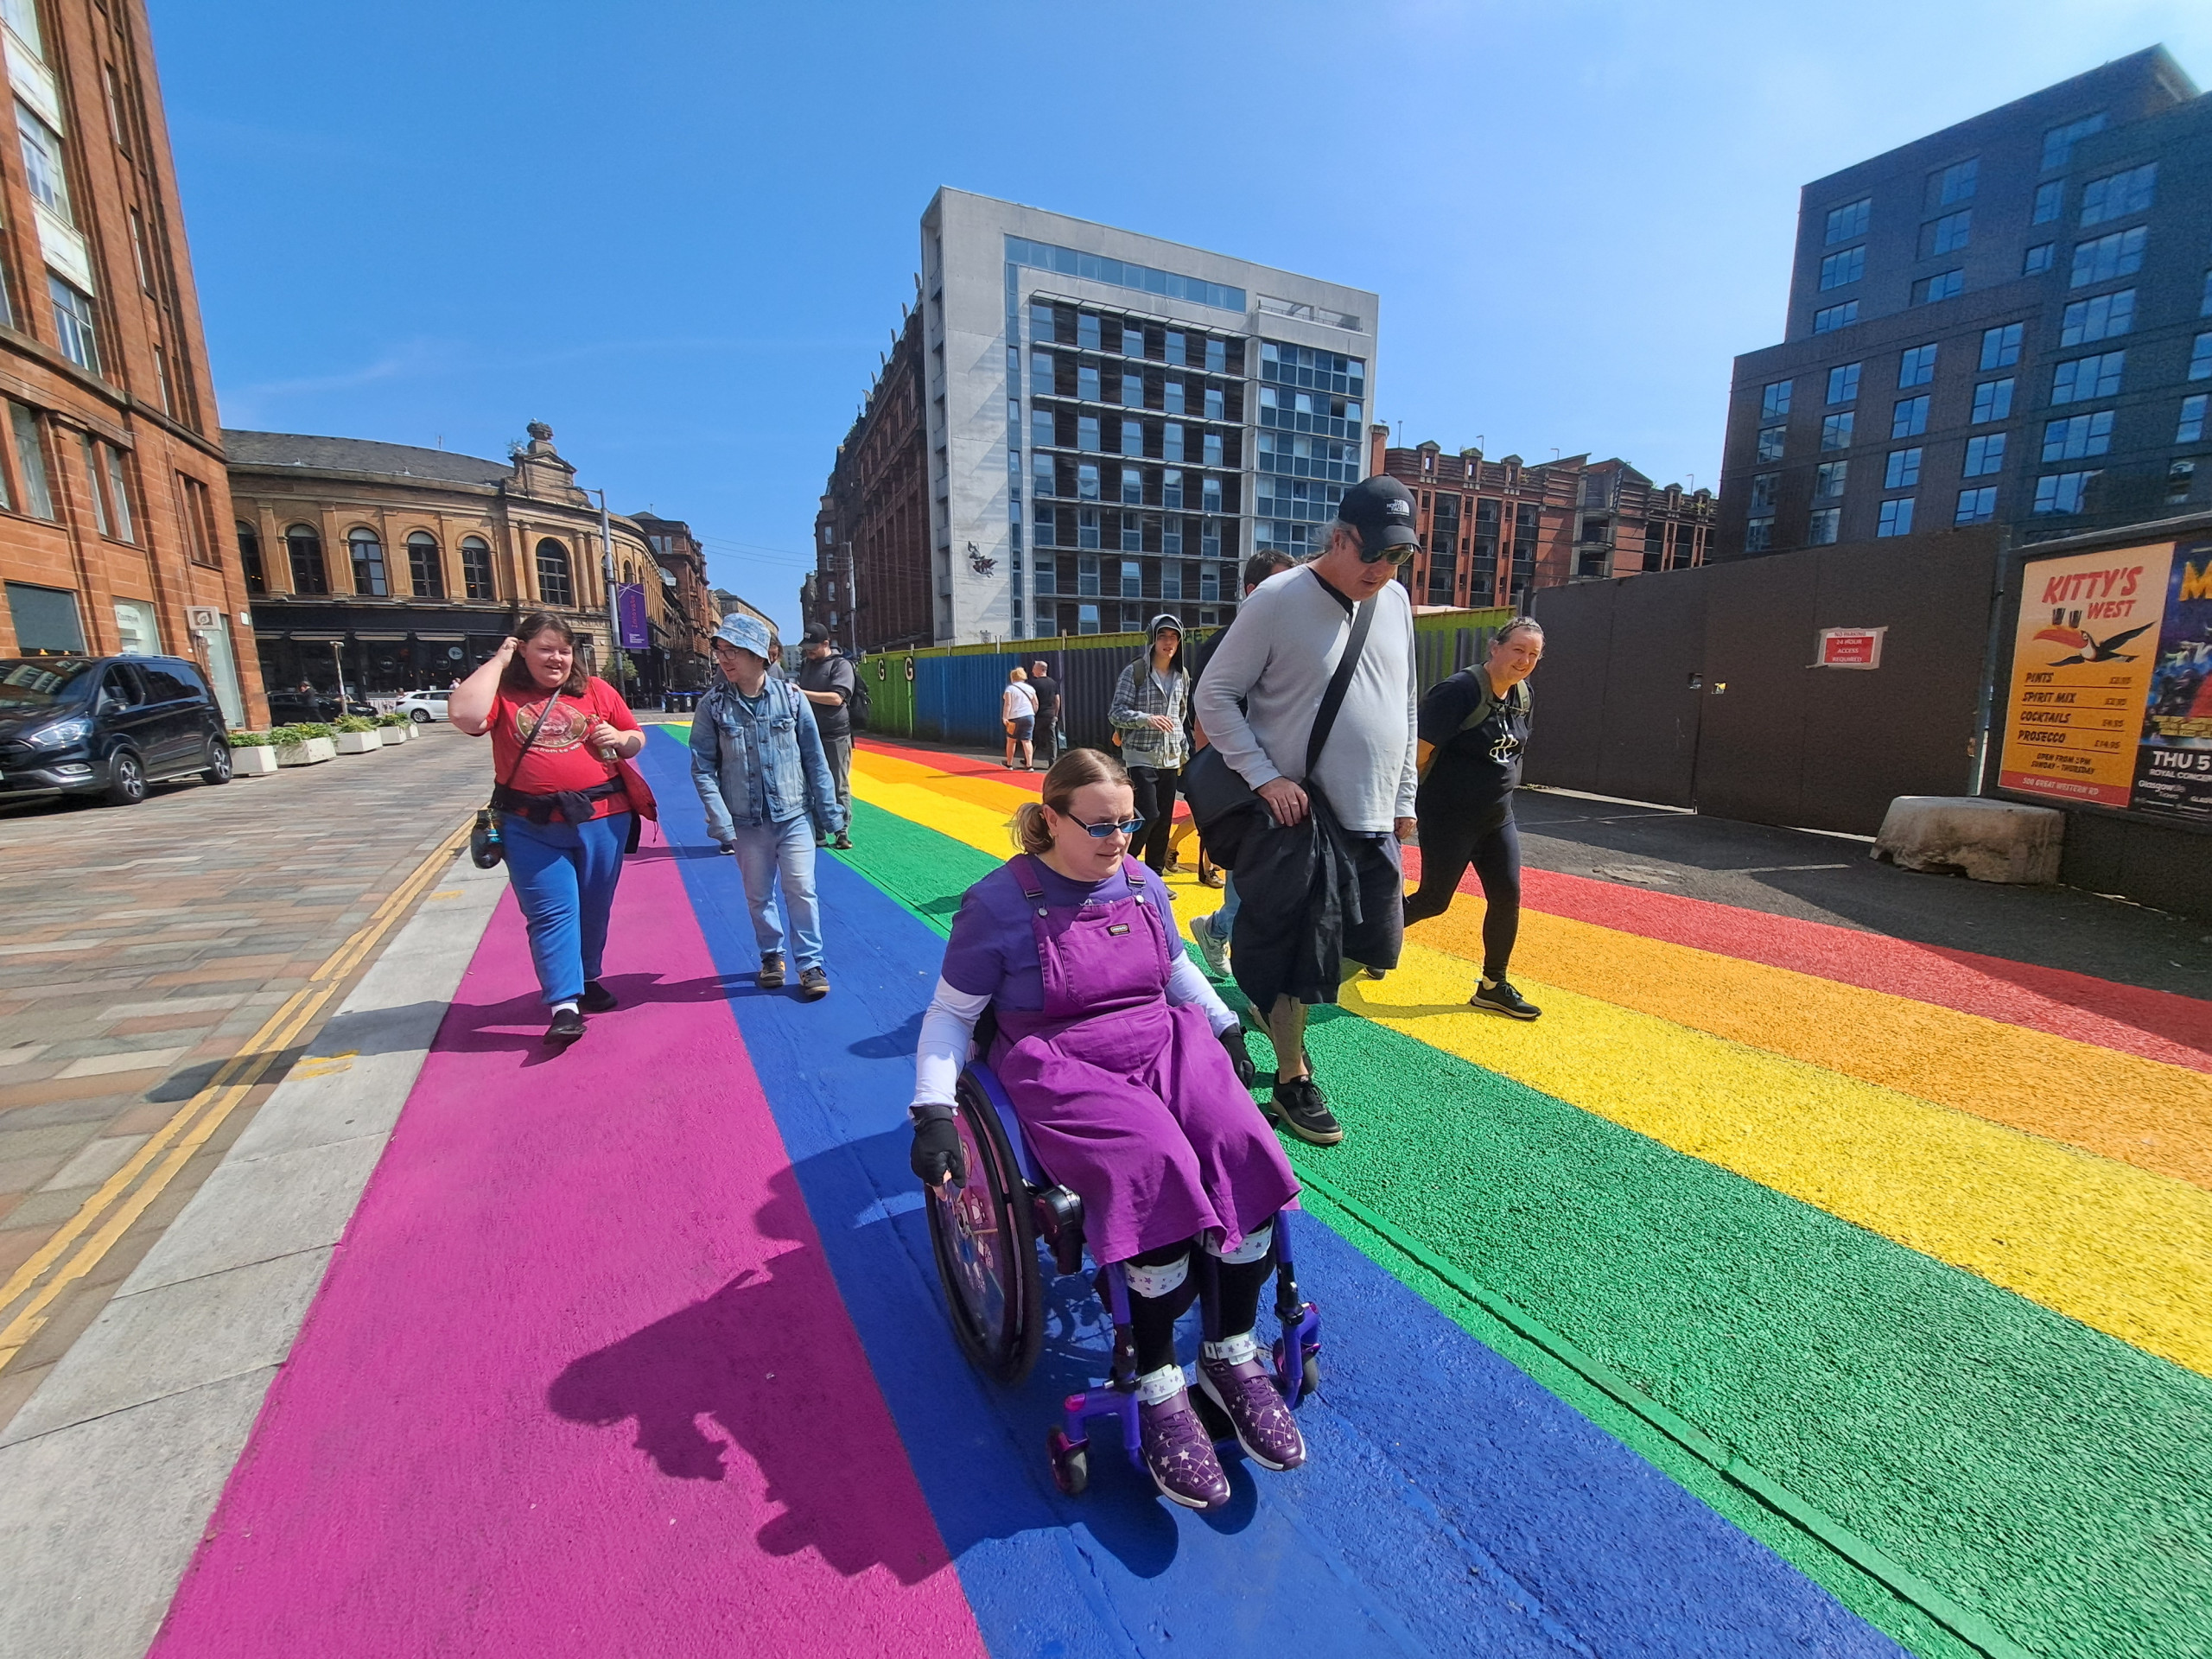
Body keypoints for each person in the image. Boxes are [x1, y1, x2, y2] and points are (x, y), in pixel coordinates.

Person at [907, 748, 1303, 1511]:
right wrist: (932, 1110)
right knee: (1148, 1165)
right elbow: (952, 1016)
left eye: (1129, 822)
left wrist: (1222, 1025)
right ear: (1049, 820)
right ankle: (1158, 1385)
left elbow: (1176, 971)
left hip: (1159, 1037)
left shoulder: (1144, 883)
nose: (1118, 839)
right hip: (1060, 1060)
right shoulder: (996, 904)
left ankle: (1229, 1354)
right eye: (1099, 825)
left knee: (1240, 1142)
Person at [1191, 476, 1421, 1147]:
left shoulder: (1397, 602)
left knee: (1376, 947)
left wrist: (1404, 796)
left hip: (1373, 813)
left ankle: (1272, 1006)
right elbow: (1215, 696)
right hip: (1299, 820)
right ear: (1339, 536)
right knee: (1293, 952)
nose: (1381, 569)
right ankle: (1292, 1077)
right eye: (1371, 553)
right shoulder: (1278, 598)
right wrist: (1264, 778)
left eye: (1397, 557)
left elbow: (1403, 702)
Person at [448, 612, 645, 1046]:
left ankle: (588, 978)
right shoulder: (504, 692)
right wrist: (500, 660)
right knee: (552, 911)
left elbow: (634, 737)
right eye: (545, 648)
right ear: (523, 650)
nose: (556, 658)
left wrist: (620, 739)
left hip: (603, 820)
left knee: (594, 907)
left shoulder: (595, 690)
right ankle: (564, 1004)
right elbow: (464, 716)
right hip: (530, 825)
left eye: (564, 649)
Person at [690, 613, 846, 1001]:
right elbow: (702, 767)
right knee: (758, 896)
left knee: (802, 890)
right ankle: (771, 956)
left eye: (735, 651)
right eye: (721, 650)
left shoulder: (792, 699)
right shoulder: (713, 706)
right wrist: (722, 821)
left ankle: (810, 963)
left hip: (793, 816)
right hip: (746, 823)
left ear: (761, 656)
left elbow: (815, 760)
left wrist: (830, 815)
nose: (725, 659)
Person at [1405, 619, 1545, 1019]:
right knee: (1433, 901)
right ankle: (1361, 944)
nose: (1525, 661)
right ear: (1494, 647)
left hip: (1497, 817)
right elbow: (1416, 754)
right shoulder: (1459, 691)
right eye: (1518, 650)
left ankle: (1492, 985)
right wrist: (1403, 806)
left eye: (1533, 654)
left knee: (1507, 897)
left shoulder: (1522, 693)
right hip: (1449, 817)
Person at [1186, 551, 1296, 945]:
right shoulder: (1223, 644)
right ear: (1254, 591)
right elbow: (1206, 716)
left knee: (1267, 885)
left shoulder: (1290, 642)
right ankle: (1221, 935)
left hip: (1286, 775)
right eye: (1281, 586)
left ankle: (1217, 930)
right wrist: (1213, 788)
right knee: (1247, 882)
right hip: (1242, 776)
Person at [1109, 615, 1192, 874]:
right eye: (1162, 636)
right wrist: (1147, 719)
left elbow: (1181, 716)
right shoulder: (1135, 671)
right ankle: (1125, 867)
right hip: (1141, 755)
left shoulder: (1182, 675)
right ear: (1152, 639)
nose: (1169, 642)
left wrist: (1183, 750)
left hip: (1170, 757)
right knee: (1148, 814)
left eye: (1174, 636)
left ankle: (1154, 874)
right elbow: (1116, 712)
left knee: (1164, 819)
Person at [797, 624, 856, 851]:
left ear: (826, 644)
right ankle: (818, 832)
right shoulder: (806, 665)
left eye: (813, 648)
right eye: (806, 648)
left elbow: (836, 699)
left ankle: (841, 831)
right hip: (810, 733)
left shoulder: (841, 666)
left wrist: (802, 693)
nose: (808, 652)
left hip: (835, 734)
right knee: (811, 784)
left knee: (837, 783)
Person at [1001, 666, 1037, 770]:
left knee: (1011, 740)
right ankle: (1029, 765)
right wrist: (1032, 713)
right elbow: (1036, 703)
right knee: (1027, 740)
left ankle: (1009, 763)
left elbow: (1008, 704)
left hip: (1014, 718)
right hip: (1029, 716)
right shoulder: (1030, 689)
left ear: (1013, 677)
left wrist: (1005, 717)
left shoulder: (1010, 689)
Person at [1027, 659, 1062, 762]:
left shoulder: (1033, 683)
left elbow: (1031, 700)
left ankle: (1028, 760)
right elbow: (1057, 699)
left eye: (1034, 669)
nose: (1032, 671)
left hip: (1037, 715)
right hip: (1050, 715)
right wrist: (1055, 714)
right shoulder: (1053, 683)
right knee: (1052, 739)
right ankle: (1052, 761)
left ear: (1039, 670)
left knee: (1031, 738)